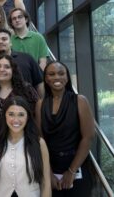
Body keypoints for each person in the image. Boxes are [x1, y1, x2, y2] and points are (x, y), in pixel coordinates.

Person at [35, 61, 95, 196]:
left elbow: (88, 137)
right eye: (51, 74)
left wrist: (72, 170)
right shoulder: (40, 104)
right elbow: (40, 140)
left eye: (61, 73)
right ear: (46, 78)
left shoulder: (80, 100)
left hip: (77, 166)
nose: (57, 77)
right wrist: (48, 172)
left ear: (67, 78)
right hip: (51, 166)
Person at [0, 96, 51, 197]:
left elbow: (45, 183)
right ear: (5, 116)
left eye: (21, 115)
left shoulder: (39, 143)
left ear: (27, 117)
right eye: (11, 114)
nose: (16, 120)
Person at [0, 55, 39, 133]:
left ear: (13, 70)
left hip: (24, 138)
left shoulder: (26, 89)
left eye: (7, 67)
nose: (1, 69)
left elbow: (36, 114)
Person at [0, 28, 44, 98]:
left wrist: (42, 104)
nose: (0, 42)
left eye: (4, 39)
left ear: (10, 43)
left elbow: (39, 82)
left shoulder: (27, 59)